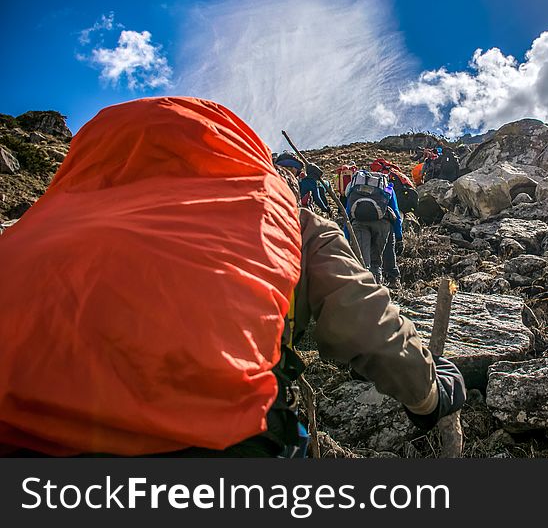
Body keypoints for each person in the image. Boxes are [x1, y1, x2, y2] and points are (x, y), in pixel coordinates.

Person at [0, 96, 465, 457]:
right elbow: (362, 314)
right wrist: (427, 394)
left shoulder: (32, 227)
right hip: (215, 448)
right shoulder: (280, 212)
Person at [344, 168, 402, 286]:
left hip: (359, 223)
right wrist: (399, 235)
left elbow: (348, 213)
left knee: (362, 261)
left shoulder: (355, 187)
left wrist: (346, 237)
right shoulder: (386, 187)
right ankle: (380, 284)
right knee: (376, 261)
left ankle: (364, 287)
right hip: (382, 224)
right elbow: (395, 212)